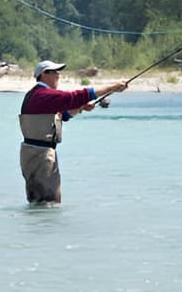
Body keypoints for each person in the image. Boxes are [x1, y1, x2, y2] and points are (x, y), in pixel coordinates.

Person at [19, 60, 127, 204]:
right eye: (55, 72)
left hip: (34, 153)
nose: (58, 76)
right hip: (41, 156)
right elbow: (75, 97)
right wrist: (112, 87)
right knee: (48, 204)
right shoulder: (43, 94)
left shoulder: (36, 95)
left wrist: (81, 108)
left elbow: (63, 115)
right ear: (44, 75)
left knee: (38, 202)